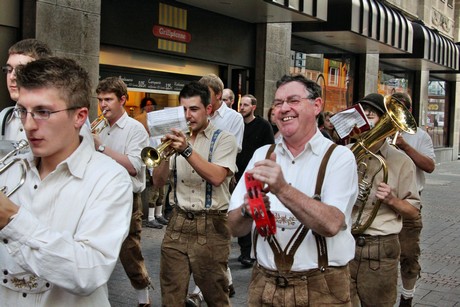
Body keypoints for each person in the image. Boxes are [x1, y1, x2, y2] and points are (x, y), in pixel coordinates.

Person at [0, 57, 132, 306]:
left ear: (80, 116)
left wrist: (12, 220)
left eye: (43, 112)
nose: (28, 125)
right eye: (22, 111)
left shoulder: (110, 179)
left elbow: (88, 272)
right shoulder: (10, 167)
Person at [228, 74, 359, 306]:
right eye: (278, 103)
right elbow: (232, 227)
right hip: (264, 284)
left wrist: (282, 189)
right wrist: (247, 211)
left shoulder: (340, 157)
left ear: (316, 105)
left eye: (293, 100)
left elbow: (331, 224)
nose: (283, 108)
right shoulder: (262, 155)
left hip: (322, 288)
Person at [152, 81, 237, 307]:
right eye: (184, 110)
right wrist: (164, 156)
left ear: (208, 110)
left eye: (194, 109)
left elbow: (217, 177)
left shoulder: (225, 138)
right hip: (177, 223)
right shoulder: (178, 139)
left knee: (216, 297)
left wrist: (186, 150)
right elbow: (158, 182)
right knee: (171, 296)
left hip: (211, 226)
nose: (188, 115)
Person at [348, 93, 421, 307]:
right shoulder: (344, 154)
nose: (367, 119)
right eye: (363, 114)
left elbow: (413, 211)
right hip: (344, 243)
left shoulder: (401, 161)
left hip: (380, 248)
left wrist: (392, 199)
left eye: (373, 115)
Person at [93, 77, 151, 307]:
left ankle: (143, 298)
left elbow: (133, 166)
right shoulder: (97, 126)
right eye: (100, 100)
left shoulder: (136, 129)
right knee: (96, 250)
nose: (103, 105)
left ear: (123, 100)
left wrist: (99, 146)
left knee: (129, 252)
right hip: (99, 197)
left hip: (127, 198)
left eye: (108, 99)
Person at [391, 92, 436, 307]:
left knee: (408, 254)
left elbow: (429, 166)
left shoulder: (420, 136)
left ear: (408, 111)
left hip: (409, 203)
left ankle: (407, 297)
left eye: (398, 108)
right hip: (381, 203)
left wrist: (405, 146)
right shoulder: (380, 132)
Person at [235, 94, 274, 268]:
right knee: (239, 210)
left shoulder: (263, 126)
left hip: (254, 175)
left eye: (245, 105)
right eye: (240, 104)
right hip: (235, 173)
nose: (242, 107)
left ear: (253, 107)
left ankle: (247, 253)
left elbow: (270, 149)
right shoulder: (237, 124)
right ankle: (244, 250)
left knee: (252, 210)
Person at [1, 39, 52, 142]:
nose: (12, 77)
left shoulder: (60, 120)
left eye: (21, 70)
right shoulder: (3, 118)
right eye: (8, 69)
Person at [134, 97, 168, 229]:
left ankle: (159, 214)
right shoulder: (142, 121)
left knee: (161, 192)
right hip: (152, 162)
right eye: (147, 105)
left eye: (151, 105)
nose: (150, 107)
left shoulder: (159, 127)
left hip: (160, 159)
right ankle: (150, 217)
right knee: (153, 193)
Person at [200, 74, 244, 152]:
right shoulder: (199, 114)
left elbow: (234, 148)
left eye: (206, 93)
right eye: (200, 94)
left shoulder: (235, 117)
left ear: (218, 95)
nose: (202, 97)